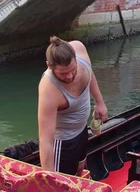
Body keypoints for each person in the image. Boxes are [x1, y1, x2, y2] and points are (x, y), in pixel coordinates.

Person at [38, 36, 108, 175]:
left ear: (76, 59)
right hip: (63, 140)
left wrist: (100, 102)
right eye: (63, 74)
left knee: (80, 167)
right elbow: (45, 139)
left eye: (72, 70)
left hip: (81, 129)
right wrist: (48, 177)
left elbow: (89, 72)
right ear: (49, 66)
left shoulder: (79, 48)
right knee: (64, 179)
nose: (70, 76)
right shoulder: (49, 89)